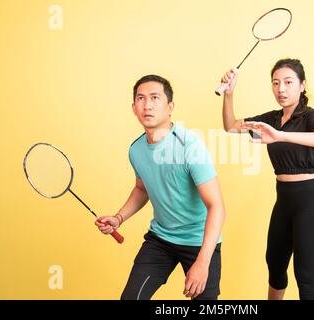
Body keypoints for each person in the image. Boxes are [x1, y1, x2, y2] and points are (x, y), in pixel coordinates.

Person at [96, 74, 225, 300]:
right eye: (141, 98)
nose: (147, 105)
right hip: (161, 239)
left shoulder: (189, 145)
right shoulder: (136, 150)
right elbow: (142, 189)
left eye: (155, 98)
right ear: (133, 108)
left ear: (170, 107)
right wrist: (118, 218)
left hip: (199, 241)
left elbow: (217, 207)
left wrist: (202, 263)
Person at [220, 58, 314, 300]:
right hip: (284, 202)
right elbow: (231, 127)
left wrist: (280, 136)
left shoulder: (309, 116)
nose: (281, 89)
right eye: (276, 83)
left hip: (312, 203)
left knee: (306, 278)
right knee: (275, 265)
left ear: (302, 85)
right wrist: (229, 94)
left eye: (288, 82)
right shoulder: (270, 119)